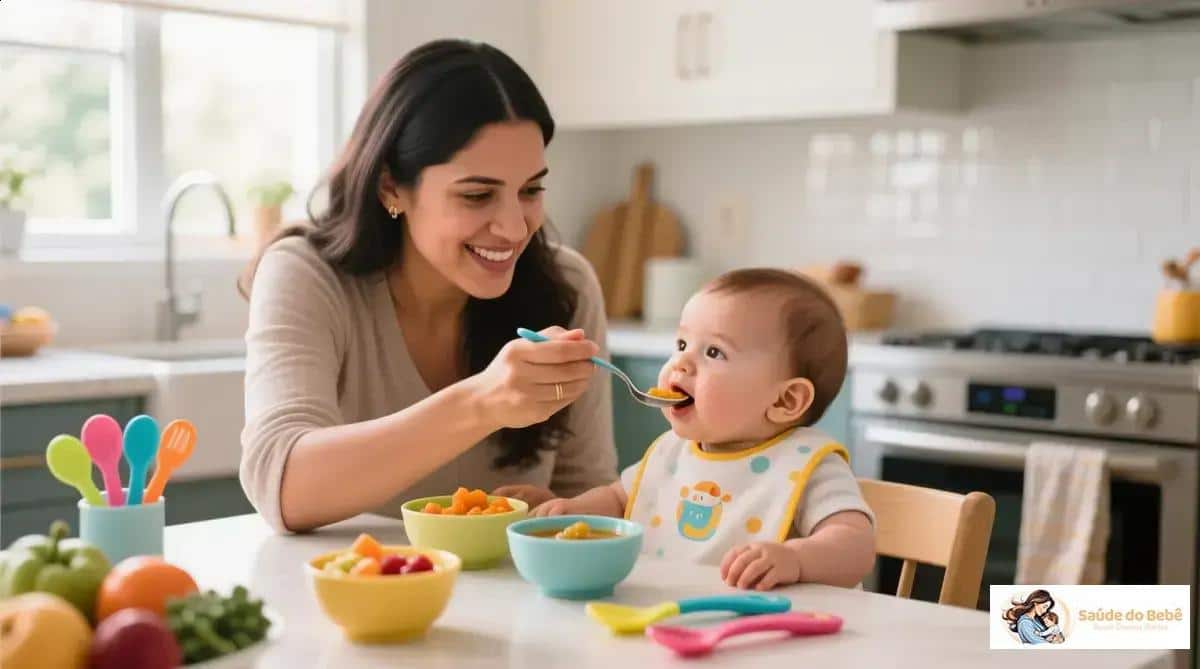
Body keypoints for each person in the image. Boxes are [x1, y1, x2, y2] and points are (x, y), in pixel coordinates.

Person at [238, 40, 617, 533]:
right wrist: (482, 402)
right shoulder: (308, 275)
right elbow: (280, 485)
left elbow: (589, 492)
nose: (514, 227)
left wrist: (560, 511)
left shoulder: (566, 285)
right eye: (477, 195)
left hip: (512, 602)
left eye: (530, 190)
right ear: (391, 186)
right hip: (352, 595)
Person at [533, 269, 876, 590]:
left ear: (786, 399)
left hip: (774, 633)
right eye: (682, 344)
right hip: (674, 620)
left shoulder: (807, 465)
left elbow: (856, 545)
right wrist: (575, 509)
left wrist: (798, 559)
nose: (680, 362)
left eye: (714, 352)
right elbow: (620, 499)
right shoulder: (672, 451)